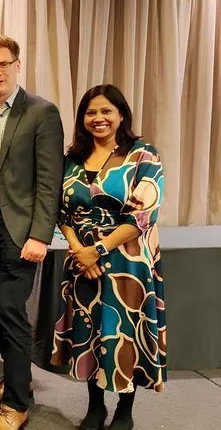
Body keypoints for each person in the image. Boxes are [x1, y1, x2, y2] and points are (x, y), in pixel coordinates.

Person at [51, 84, 165, 430]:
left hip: (126, 260)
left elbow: (143, 215)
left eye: (105, 111)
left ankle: (125, 410)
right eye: (90, 112)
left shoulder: (143, 154)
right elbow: (60, 211)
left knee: (123, 331)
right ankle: (96, 406)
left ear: (120, 115)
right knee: (89, 329)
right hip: (83, 262)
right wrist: (80, 251)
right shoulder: (72, 158)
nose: (98, 118)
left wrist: (98, 250)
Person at [0, 34, 64, 430]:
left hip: (21, 229)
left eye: (3, 64)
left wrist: (41, 235)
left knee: (10, 309)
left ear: (16, 65)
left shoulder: (42, 112)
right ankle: (13, 380)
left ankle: (18, 406)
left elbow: (49, 181)